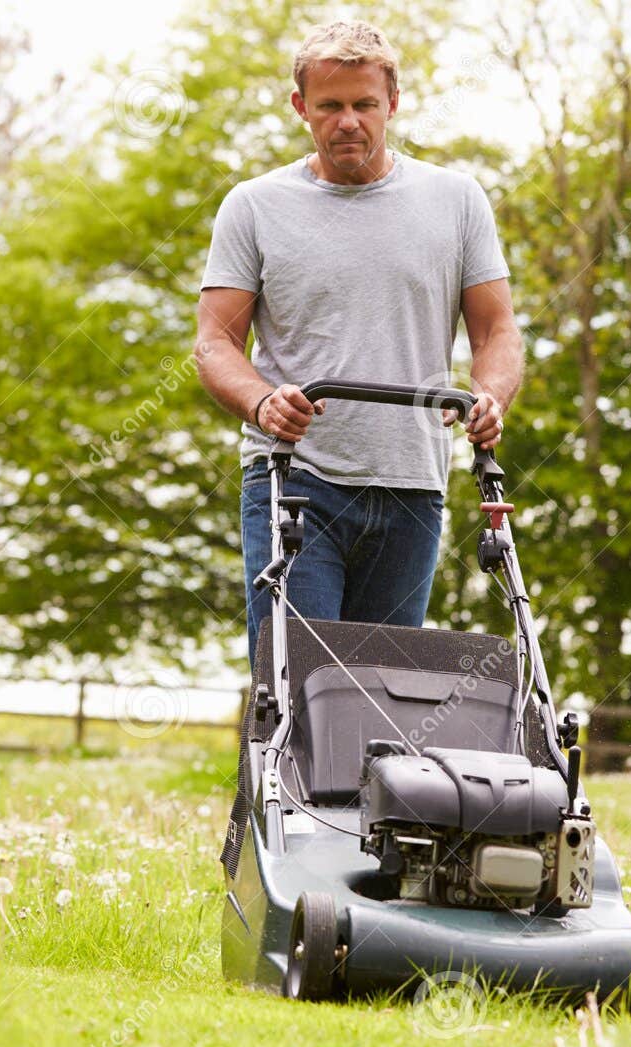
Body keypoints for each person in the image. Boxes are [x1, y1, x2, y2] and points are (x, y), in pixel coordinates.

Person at [194, 19, 523, 668]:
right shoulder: (254, 206)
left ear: (392, 104)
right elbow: (214, 343)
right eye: (331, 105)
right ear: (301, 107)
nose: (349, 121)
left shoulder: (457, 201)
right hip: (295, 479)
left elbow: (496, 330)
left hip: (413, 484)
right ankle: (275, 773)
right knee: (299, 682)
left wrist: (489, 397)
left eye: (364, 105)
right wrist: (262, 403)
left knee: (384, 701)